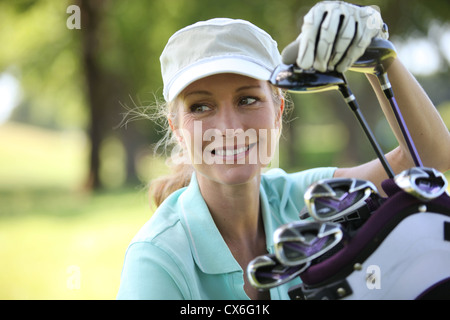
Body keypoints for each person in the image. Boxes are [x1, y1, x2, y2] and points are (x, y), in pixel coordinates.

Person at [117, 1, 450, 300]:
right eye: (201, 107)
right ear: (176, 128)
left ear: (278, 109)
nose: (228, 127)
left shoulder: (302, 198)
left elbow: (429, 156)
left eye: (247, 100)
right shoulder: (156, 259)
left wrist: (379, 55)